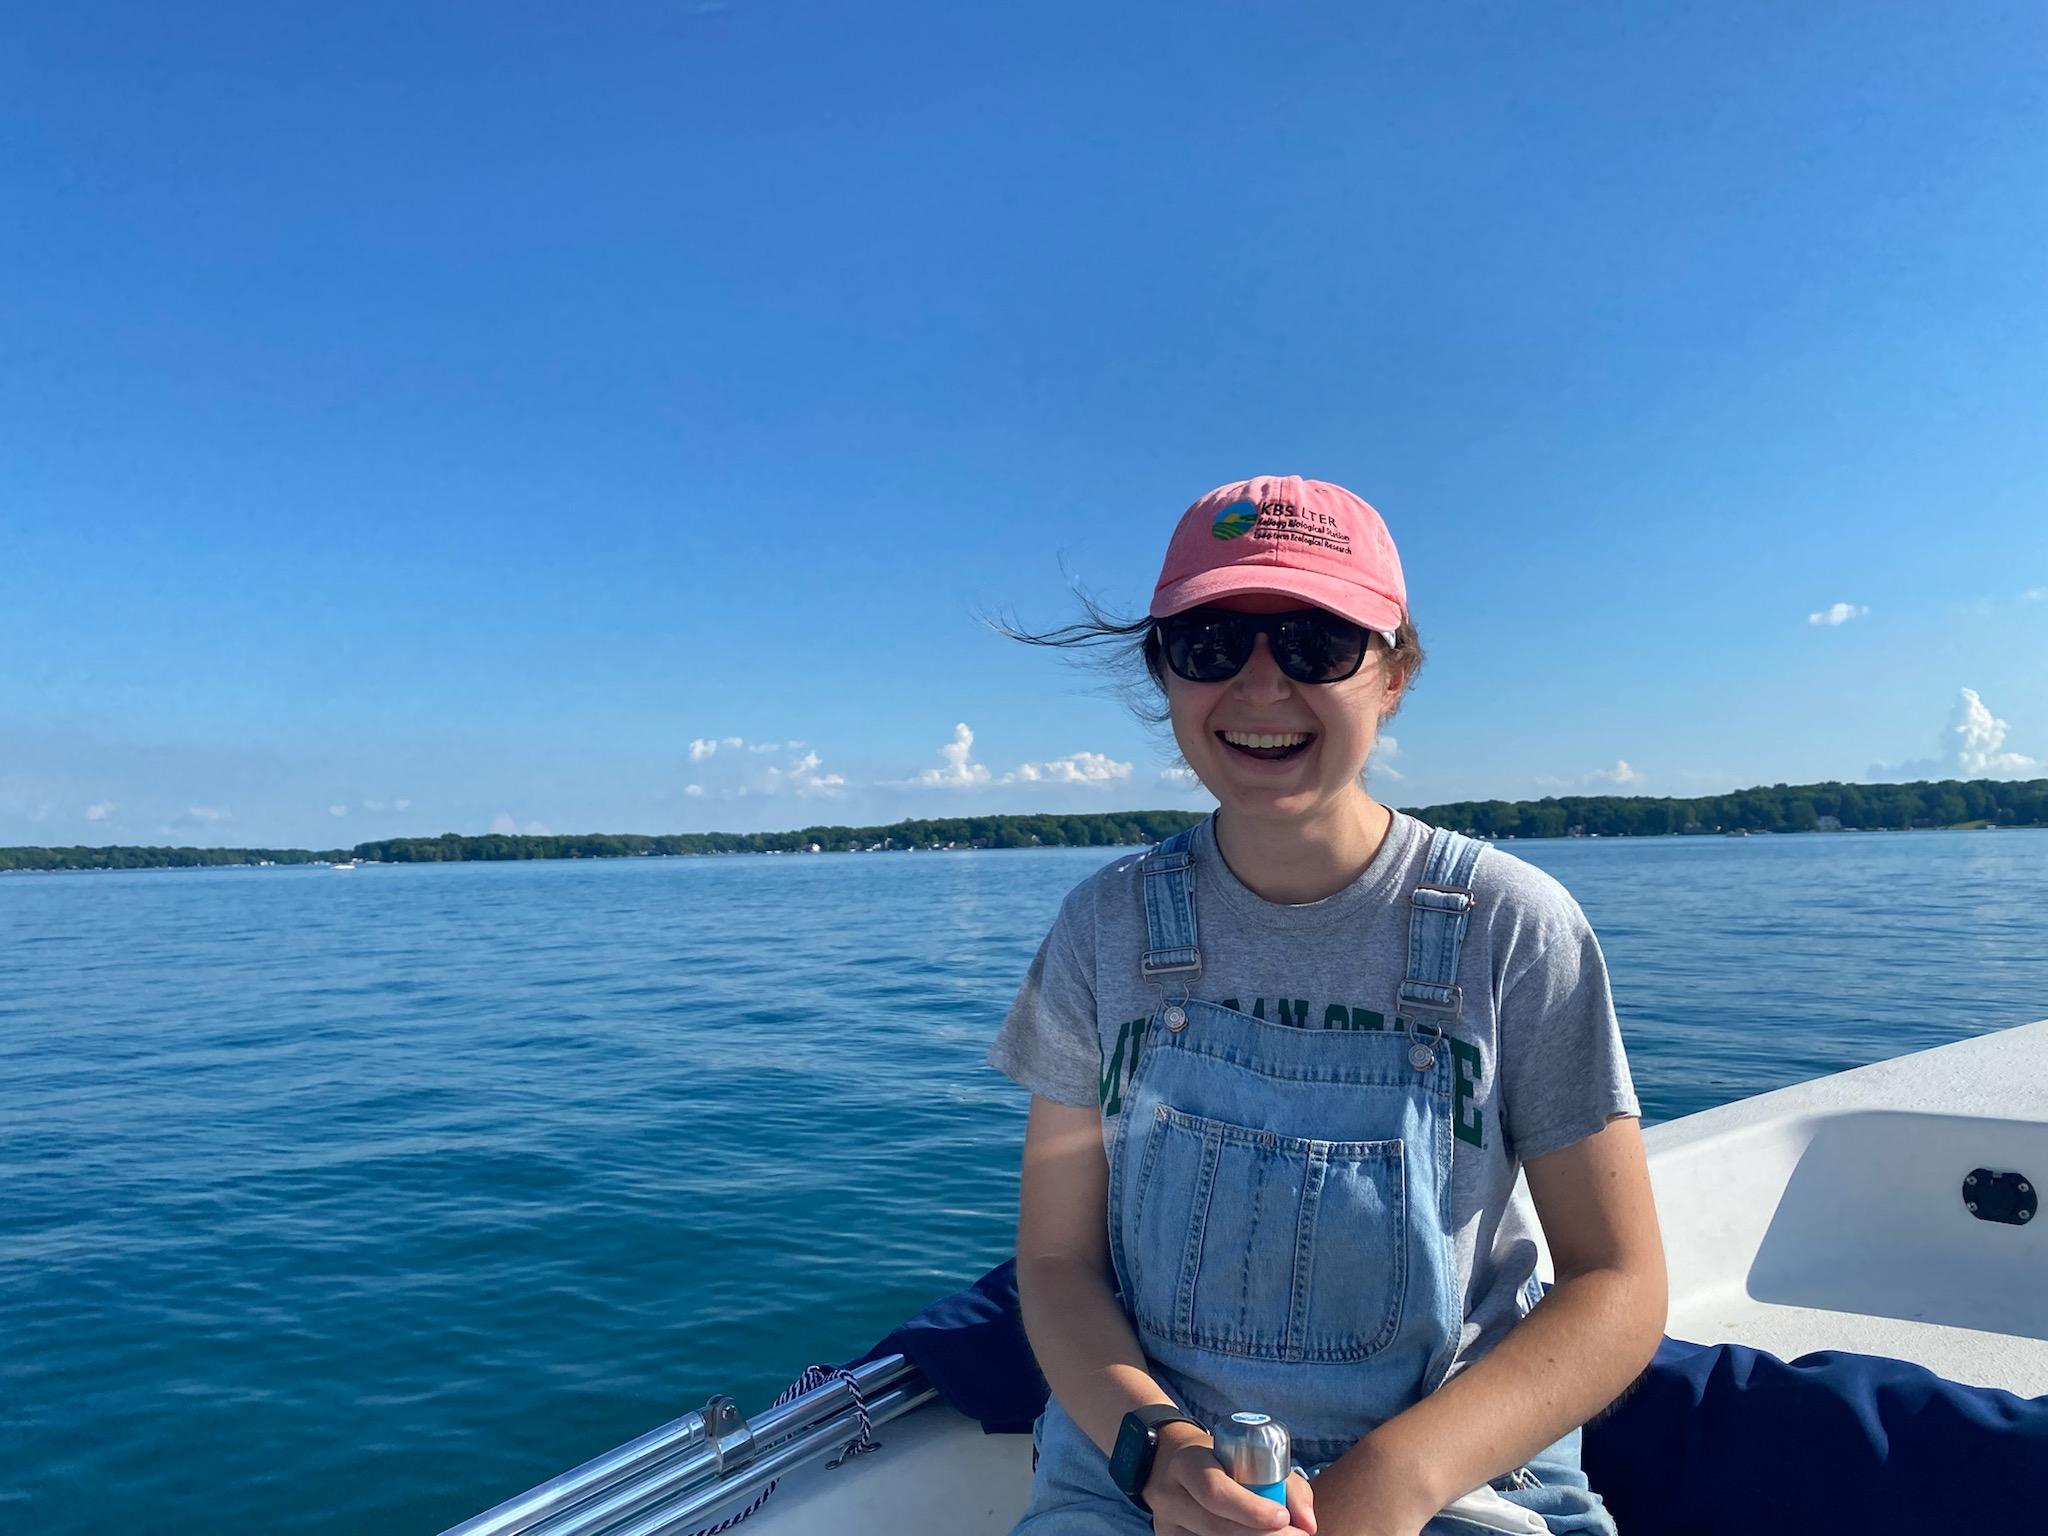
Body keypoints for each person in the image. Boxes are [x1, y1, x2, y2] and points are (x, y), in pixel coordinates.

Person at [984, 475, 1667, 1536]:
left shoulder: (1514, 928)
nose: (1260, 688)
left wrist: (1392, 1479)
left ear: (1394, 674)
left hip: (1453, 1483)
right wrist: (1158, 1454)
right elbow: (1056, 1262)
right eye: (1211, 643)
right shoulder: (1100, 929)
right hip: (1138, 1478)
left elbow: (1615, 1280)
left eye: (1315, 644)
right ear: (1163, 669)